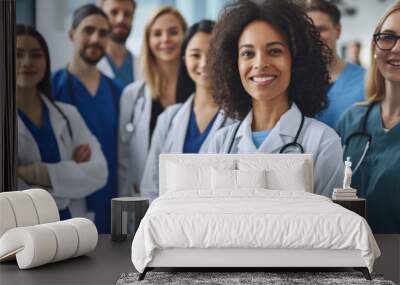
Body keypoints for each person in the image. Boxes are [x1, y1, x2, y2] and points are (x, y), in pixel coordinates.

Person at [206, 0, 343, 197]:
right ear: (233, 63)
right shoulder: (221, 142)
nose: (260, 63)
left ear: (296, 60)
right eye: (248, 53)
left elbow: (328, 224)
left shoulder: (322, 141)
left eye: (274, 51)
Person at [16, 25, 107, 220]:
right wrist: (70, 171)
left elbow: (99, 171)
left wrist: (32, 172)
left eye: (36, 55)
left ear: (46, 61)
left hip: (70, 223)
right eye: (17, 54)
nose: (27, 62)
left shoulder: (68, 115)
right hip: (22, 226)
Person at [140, 20, 235, 200]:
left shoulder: (240, 119)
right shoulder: (168, 118)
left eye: (213, 54)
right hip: (168, 221)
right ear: (184, 60)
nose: (204, 63)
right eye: (195, 55)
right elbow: (150, 186)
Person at [52, 4, 123, 233]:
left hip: (110, 201)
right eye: (88, 30)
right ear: (72, 34)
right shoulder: (51, 89)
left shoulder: (117, 92)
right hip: (66, 202)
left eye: (103, 33)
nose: (96, 39)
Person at [337, 1, 400, 234]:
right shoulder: (352, 119)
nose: (395, 49)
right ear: (375, 47)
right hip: (348, 260)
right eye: (388, 37)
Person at [118, 6, 186, 197]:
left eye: (173, 32)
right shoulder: (132, 95)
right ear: (148, 41)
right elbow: (124, 161)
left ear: (185, 37)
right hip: (144, 197)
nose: (165, 39)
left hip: (186, 195)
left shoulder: (198, 94)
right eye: (157, 33)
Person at [304, 0, 366, 128]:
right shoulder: (293, 82)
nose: (314, 36)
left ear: (337, 31)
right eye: (307, 30)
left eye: (321, 29)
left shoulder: (367, 81)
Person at [97, 0, 140, 87]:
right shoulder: (92, 65)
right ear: (101, 16)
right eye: (114, 12)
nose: (121, 19)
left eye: (127, 14)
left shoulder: (142, 65)